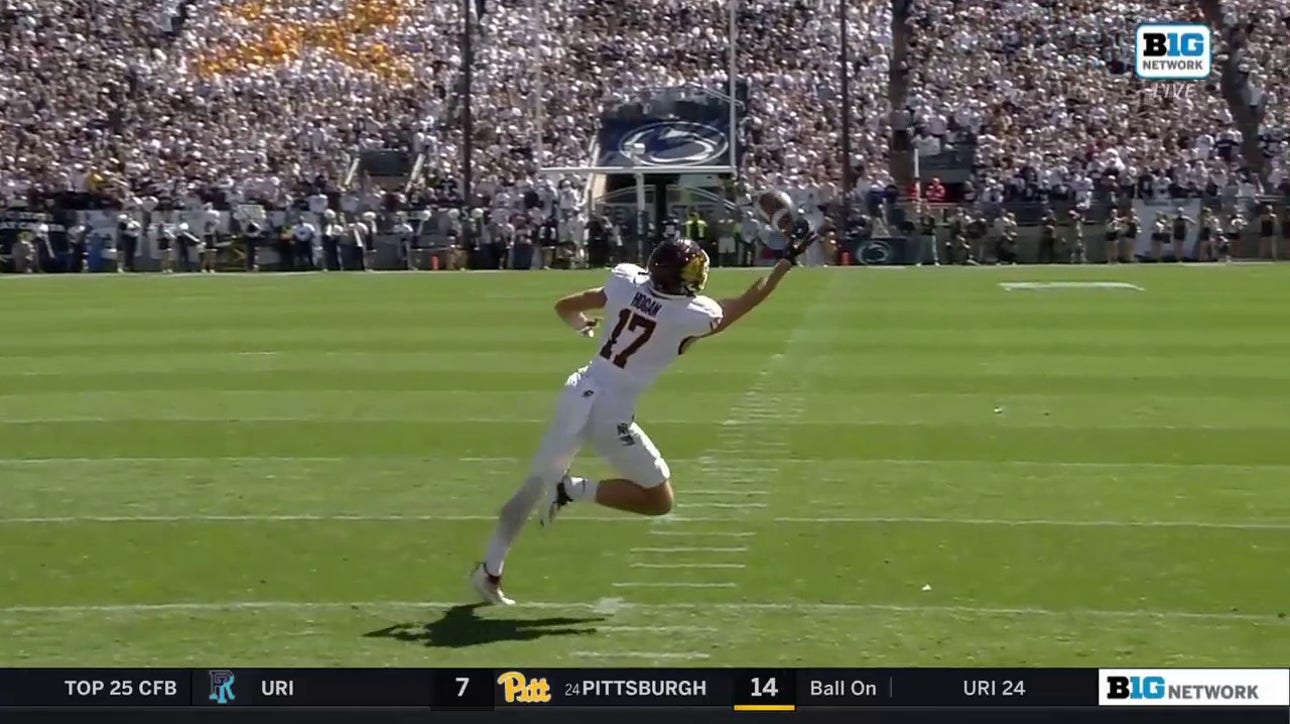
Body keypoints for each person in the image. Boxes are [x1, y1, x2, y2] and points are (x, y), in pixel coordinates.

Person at [470, 220, 818, 605]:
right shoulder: (692, 315)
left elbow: (565, 307)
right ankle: (571, 490)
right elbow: (746, 300)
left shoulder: (626, 280)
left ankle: (491, 569)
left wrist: (583, 328)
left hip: (579, 389)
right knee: (659, 500)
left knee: (530, 489)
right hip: (608, 412)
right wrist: (784, 262)